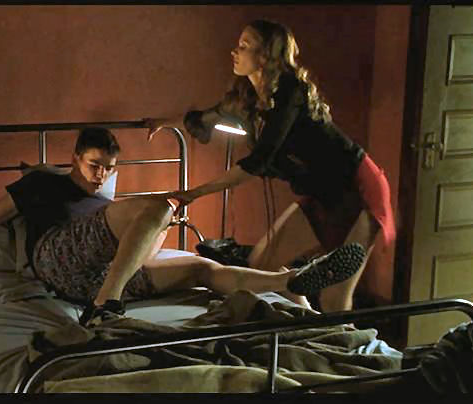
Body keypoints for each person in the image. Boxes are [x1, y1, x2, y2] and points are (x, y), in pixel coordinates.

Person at [0, 127, 365, 326]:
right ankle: (107, 305)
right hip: (57, 257)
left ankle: (290, 280)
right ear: (74, 159)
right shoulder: (43, 183)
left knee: (201, 267)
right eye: (93, 165)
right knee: (160, 205)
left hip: (105, 275)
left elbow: (141, 248)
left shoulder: (105, 203)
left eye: (109, 168)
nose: (100, 175)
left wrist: (155, 234)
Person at [146, 19, 395, 313]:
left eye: (244, 46)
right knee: (262, 263)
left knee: (334, 297)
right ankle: (305, 320)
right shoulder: (249, 97)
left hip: (356, 187)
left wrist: (195, 193)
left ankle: (339, 336)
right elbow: (205, 117)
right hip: (321, 192)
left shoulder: (290, 92)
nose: (234, 52)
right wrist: (164, 122)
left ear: (265, 55)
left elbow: (259, 161)